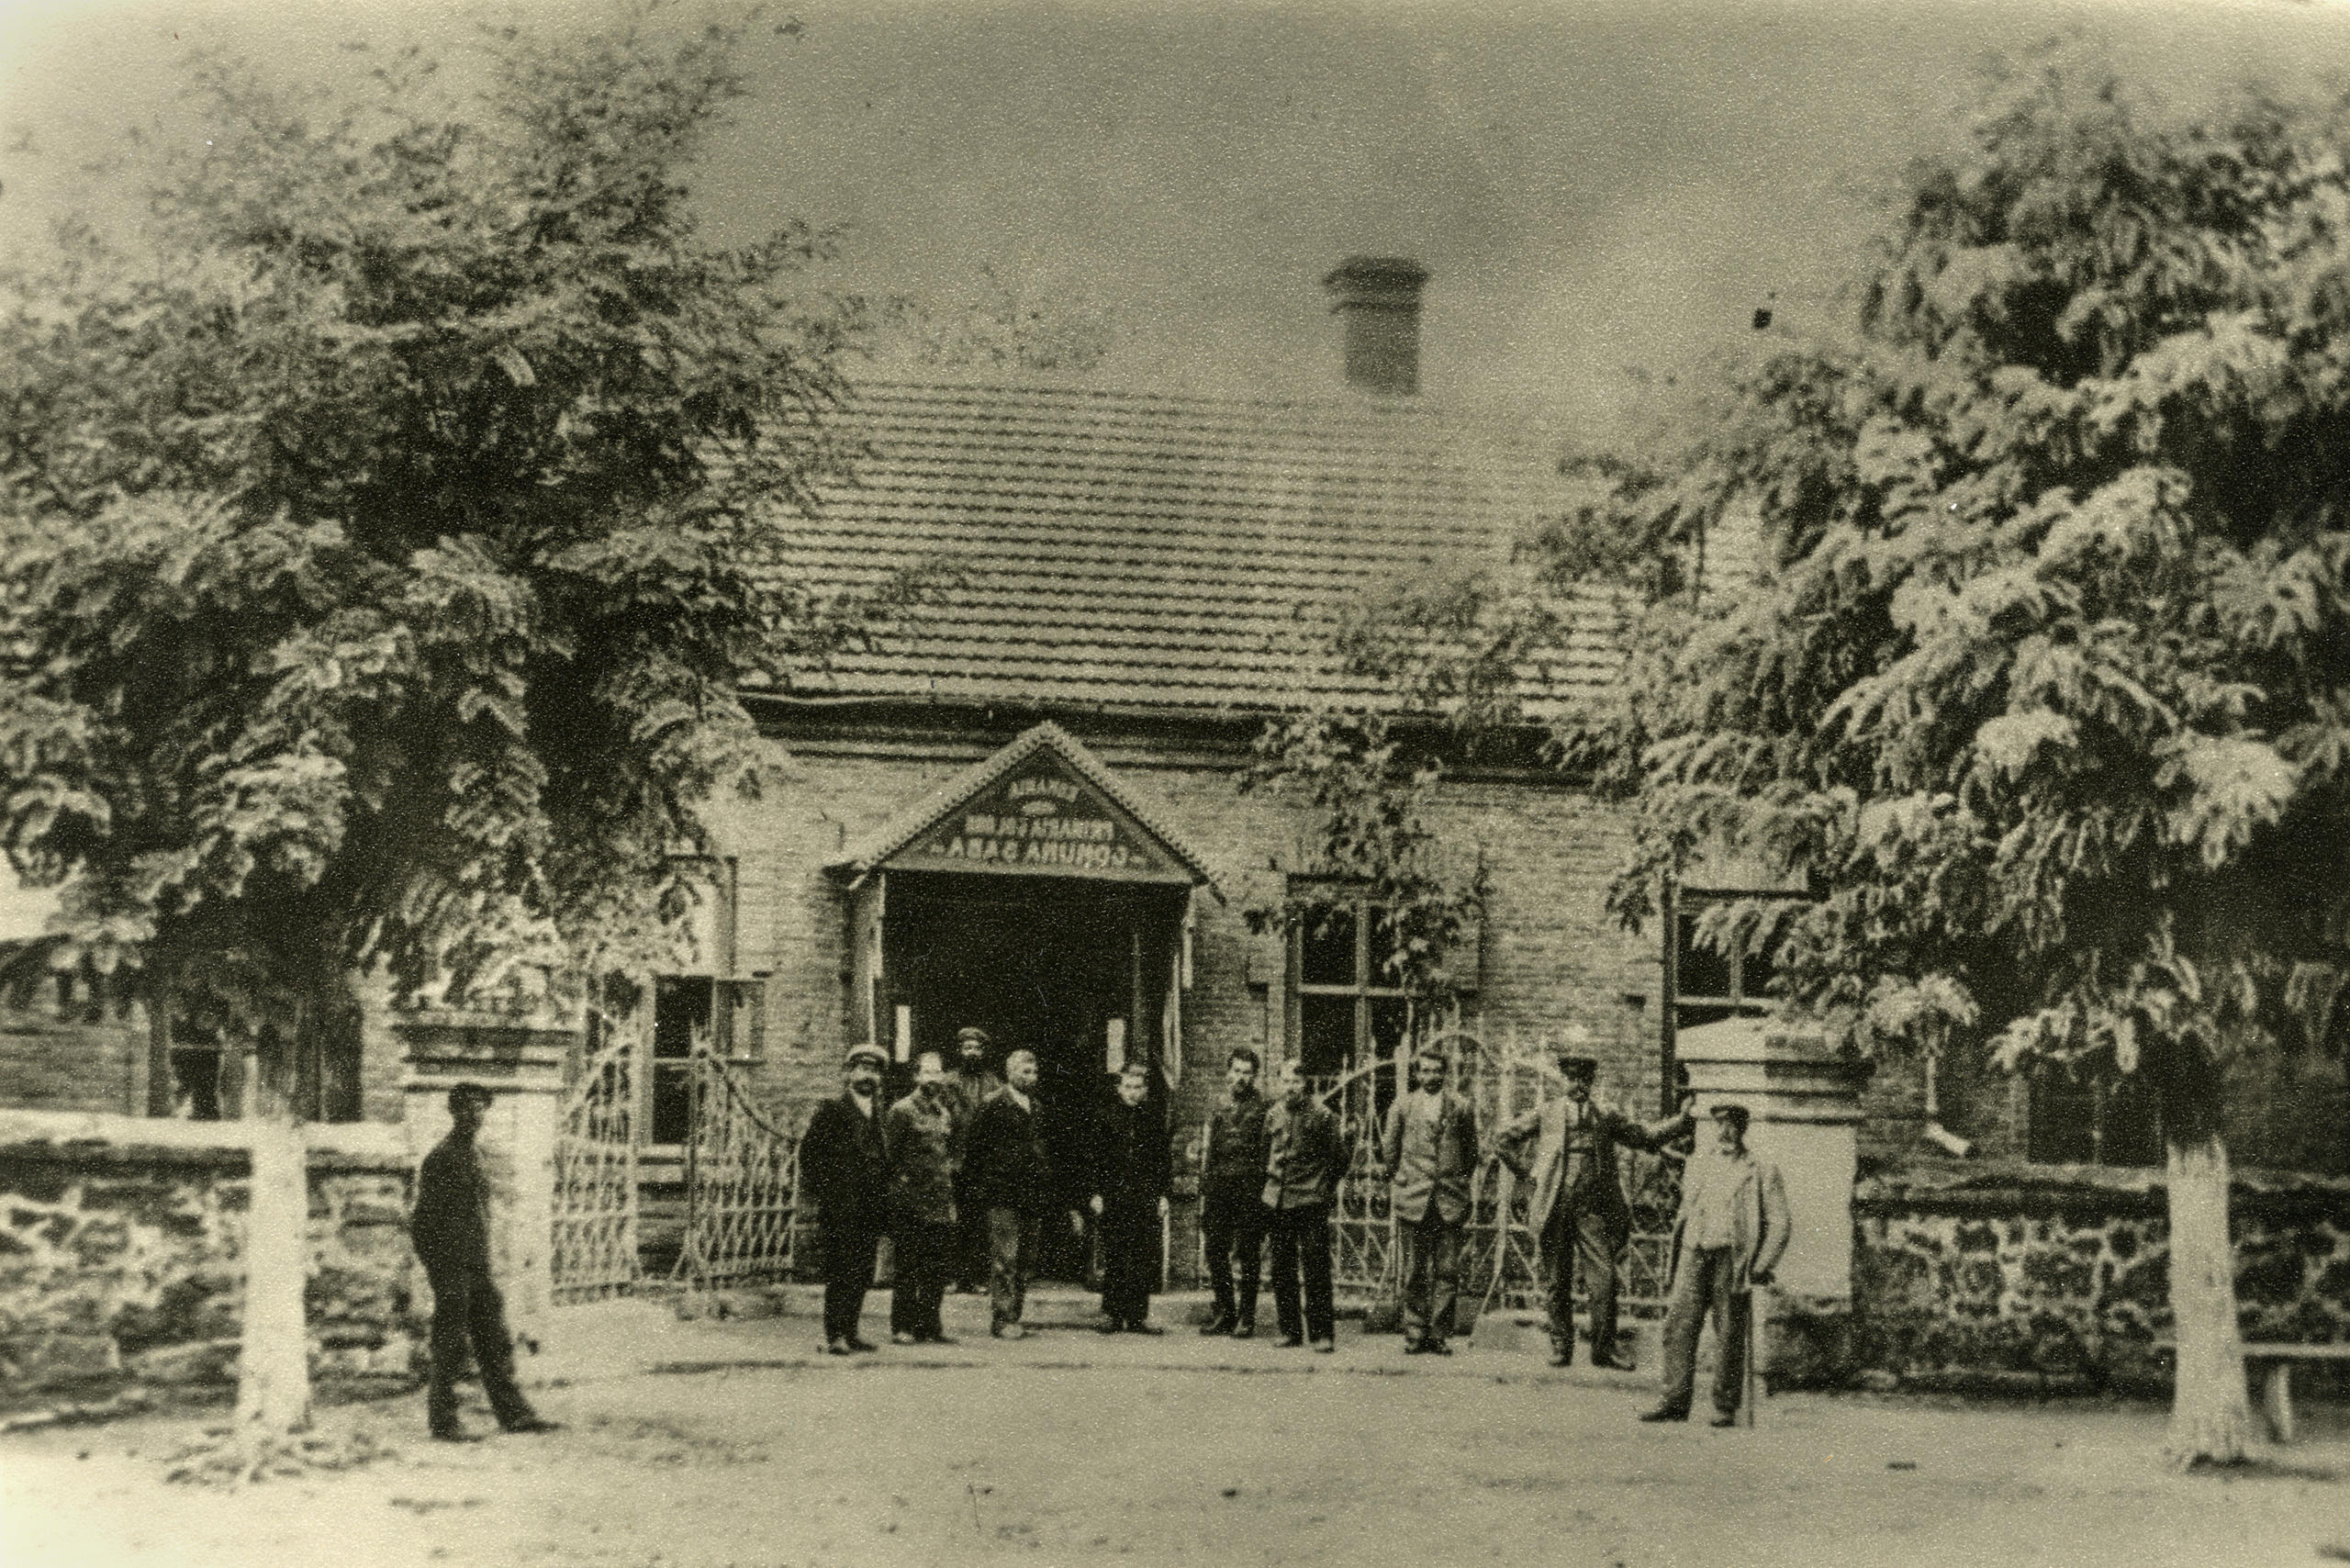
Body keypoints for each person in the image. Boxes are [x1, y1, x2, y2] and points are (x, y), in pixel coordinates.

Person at [1491, 1035, 1695, 1368]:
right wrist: (1528, 1178)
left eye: (1584, 1079)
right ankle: (1561, 1346)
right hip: (1555, 1207)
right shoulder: (1547, 1114)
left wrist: (1680, 1123)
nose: (1578, 1085)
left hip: (1592, 1211)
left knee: (1604, 1281)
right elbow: (1503, 1140)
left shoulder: (1605, 1117)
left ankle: (1603, 1350)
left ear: (1591, 1082)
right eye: (1572, 1078)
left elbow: (1643, 1136)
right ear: (1563, 1081)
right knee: (1557, 1280)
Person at [408, 1081, 560, 1441]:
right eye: (468, 1108)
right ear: (454, 1112)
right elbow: (422, 1223)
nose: (475, 1115)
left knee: (494, 1339)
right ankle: (443, 1421)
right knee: (449, 1343)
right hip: (453, 1268)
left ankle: (514, 1414)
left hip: (476, 1266)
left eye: (481, 1108)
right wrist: (440, 1271)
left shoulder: (474, 1155)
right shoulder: (440, 1158)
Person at [1640, 1103, 1793, 1428]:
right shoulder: (1699, 1163)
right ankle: (1673, 1400)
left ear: (1743, 1129)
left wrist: (1760, 1265)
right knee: (1678, 1324)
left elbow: (1779, 1223)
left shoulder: (1761, 1169)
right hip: (1695, 1250)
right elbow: (1686, 1208)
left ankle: (1725, 1405)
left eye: (1733, 1126)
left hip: (1731, 1256)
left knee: (1729, 1330)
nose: (1725, 1132)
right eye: (1720, 1125)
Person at [963, 1047, 1081, 1338]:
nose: (1030, 1077)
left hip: (1031, 1195)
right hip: (1002, 1195)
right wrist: (981, 1190)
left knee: (1026, 1260)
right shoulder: (992, 1104)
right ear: (1009, 1073)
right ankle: (1002, 1319)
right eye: (1024, 1072)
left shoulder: (1037, 1108)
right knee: (1006, 1258)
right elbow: (975, 1151)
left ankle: (1015, 1314)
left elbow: (1043, 1150)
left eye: (1034, 1072)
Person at [1381, 1044, 1479, 1356]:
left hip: (1448, 1199)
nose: (1431, 1076)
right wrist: (1404, 1179)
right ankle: (1414, 1332)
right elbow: (1390, 1150)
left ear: (1445, 1073)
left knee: (1447, 1270)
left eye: (1437, 1071)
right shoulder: (1403, 1106)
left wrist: (1454, 1179)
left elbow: (1471, 1153)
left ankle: (1439, 1334)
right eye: (1425, 1070)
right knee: (1414, 1269)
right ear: (1416, 1073)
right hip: (1414, 1198)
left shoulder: (1460, 1106)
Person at [800, 1043, 893, 1355]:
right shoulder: (833, 1111)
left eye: (874, 1071)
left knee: (863, 1271)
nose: (868, 1076)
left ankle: (852, 1331)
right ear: (850, 1073)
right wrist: (829, 1194)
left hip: (870, 1207)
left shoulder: (880, 1113)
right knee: (841, 1271)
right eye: (863, 1069)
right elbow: (810, 1156)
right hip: (842, 1208)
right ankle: (834, 1334)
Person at [1260, 1058, 1343, 1352]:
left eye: (1296, 1081)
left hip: (1310, 1200)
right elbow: (1264, 1155)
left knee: (1315, 1268)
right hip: (1279, 1201)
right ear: (1279, 1083)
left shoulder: (1322, 1115)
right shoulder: (1273, 1114)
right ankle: (1290, 1331)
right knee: (1282, 1269)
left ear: (1305, 1083)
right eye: (1285, 1081)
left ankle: (1322, 1334)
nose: (1291, 1087)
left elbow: (1338, 1158)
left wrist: (1321, 1188)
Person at [883, 1048, 960, 1345]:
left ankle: (929, 1325)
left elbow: (947, 1157)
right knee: (907, 1267)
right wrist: (899, 1195)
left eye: (938, 1072)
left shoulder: (943, 1113)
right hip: (911, 1202)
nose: (934, 1078)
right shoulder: (902, 1111)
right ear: (916, 1076)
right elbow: (890, 1158)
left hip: (939, 1202)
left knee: (936, 1268)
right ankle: (902, 1326)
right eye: (928, 1072)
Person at [1090, 1061, 1172, 1333]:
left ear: (1145, 1089)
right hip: (1113, 1195)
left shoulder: (1153, 1119)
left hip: (1144, 1197)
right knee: (1115, 1255)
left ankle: (1138, 1316)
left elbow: (1163, 1161)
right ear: (1119, 1087)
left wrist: (1163, 1195)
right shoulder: (1104, 1117)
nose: (1133, 1093)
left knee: (1142, 1256)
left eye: (1138, 1087)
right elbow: (1094, 1159)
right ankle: (1112, 1314)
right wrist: (1095, 1193)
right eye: (1128, 1087)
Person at [1197, 1046, 1273, 1338]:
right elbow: (1209, 1148)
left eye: (1247, 1073)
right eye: (1236, 1071)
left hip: (1250, 1189)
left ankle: (1247, 1317)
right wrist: (1205, 1185)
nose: (1241, 1077)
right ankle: (1225, 1312)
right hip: (1219, 1187)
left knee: (1249, 1253)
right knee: (1216, 1250)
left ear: (1254, 1076)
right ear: (1228, 1072)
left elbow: (1268, 1150)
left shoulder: (1265, 1108)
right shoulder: (1217, 1105)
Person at [943, 1026, 1006, 1294]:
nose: (972, 1053)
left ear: (984, 1052)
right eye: (967, 1048)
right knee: (953, 1220)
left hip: (983, 1164)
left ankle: (979, 1277)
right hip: (955, 1161)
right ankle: (954, 1277)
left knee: (980, 1221)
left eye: (977, 1048)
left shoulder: (994, 1084)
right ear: (959, 1051)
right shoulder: (948, 1082)